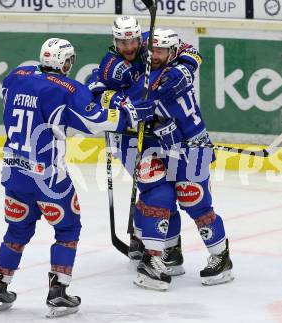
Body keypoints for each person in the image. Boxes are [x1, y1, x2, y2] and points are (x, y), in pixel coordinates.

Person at [0, 38, 154, 317]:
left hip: (14, 172)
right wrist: (129, 115)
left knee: (16, 231)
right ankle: (58, 293)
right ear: (65, 62)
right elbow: (96, 122)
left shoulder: (17, 76)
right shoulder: (68, 89)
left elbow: (12, 98)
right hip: (48, 178)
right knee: (67, 230)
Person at [87, 16, 203, 277]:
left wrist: (183, 67)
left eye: (132, 41)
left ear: (140, 38)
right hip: (128, 138)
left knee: (162, 190)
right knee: (155, 190)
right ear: (113, 41)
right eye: (122, 42)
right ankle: (149, 242)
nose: (128, 47)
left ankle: (156, 243)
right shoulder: (112, 67)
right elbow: (94, 91)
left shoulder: (155, 46)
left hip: (158, 136)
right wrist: (121, 101)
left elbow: (191, 52)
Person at [122, 28, 234, 291]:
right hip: (163, 148)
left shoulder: (167, 78)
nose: (155, 55)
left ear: (171, 52)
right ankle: (165, 254)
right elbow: (190, 54)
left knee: (194, 200)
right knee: (160, 199)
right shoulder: (167, 70)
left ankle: (221, 257)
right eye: (152, 50)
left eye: (160, 51)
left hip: (191, 147)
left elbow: (135, 104)